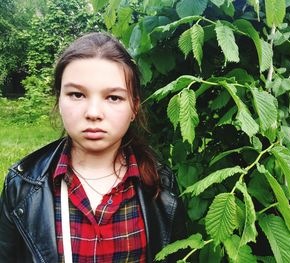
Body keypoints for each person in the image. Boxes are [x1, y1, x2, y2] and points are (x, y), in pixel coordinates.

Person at [0, 32, 186, 263]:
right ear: (59, 100)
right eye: (77, 94)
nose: (93, 113)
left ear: (134, 107)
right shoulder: (22, 186)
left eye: (113, 98)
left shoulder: (162, 185)